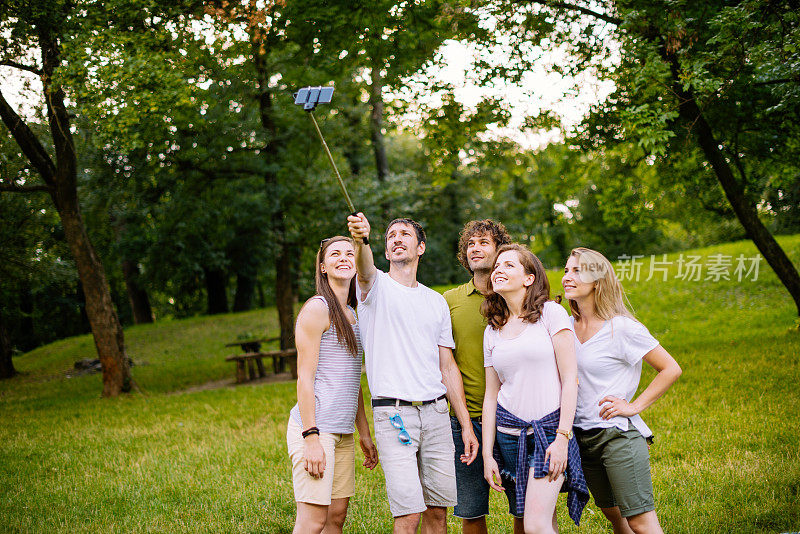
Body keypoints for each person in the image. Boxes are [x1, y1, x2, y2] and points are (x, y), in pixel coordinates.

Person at [347, 213, 479, 534]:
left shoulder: (435, 302)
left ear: (420, 248)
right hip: (394, 416)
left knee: (438, 513)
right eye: (391, 235)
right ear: (386, 250)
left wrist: (464, 425)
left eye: (404, 234)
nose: (396, 238)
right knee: (408, 515)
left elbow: (447, 367)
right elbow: (364, 268)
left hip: (436, 415)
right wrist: (360, 240)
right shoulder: (373, 288)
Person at [561, 247, 681, 534]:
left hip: (617, 435)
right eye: (566, 270)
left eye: (577, 271)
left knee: (640, 520)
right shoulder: (565, 327)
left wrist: (634, 406)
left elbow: (671, 369)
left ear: (598, 282)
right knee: (615, 516)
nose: (568, 276)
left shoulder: (622, 328)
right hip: (582, 437)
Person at [481, 243, 589, 534]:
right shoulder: (492, 330)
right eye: (497, 266)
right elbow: (491, 396)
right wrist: (488, 455)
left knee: (535, 525)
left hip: (547, 434)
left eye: (508, 265)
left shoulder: (551, 314)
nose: (498, 270)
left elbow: (570, 379)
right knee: (543, 522)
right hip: (508, 437)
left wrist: (562, 438)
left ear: (529, 278)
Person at [286, 236, 379, 534]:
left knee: (336, 518)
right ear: (323, 267)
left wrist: (363, 433)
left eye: (349, 253)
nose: (343, 258)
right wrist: (310, 437)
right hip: (317, 429)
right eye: (335, 254)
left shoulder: (355, 313)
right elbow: (305, 377)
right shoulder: (317, 308)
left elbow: (352, 381)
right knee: (313, 521)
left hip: (343, 431)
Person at [443, 220, 513, 534]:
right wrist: (465, 423)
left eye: (484, 242)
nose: (475, 248)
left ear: (500, 250)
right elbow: (445, 364)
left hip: (516, 418)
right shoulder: (449, 301)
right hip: (466, 420)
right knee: (470, 511)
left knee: (524, 507)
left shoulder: (516, 296)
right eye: (471, 243)